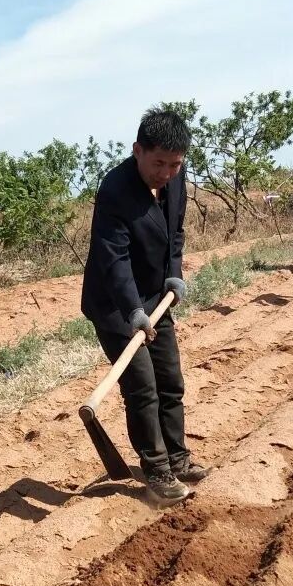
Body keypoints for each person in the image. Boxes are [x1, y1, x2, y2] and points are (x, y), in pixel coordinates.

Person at [81, 107, 209, 504]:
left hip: (157, 296)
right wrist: (133, 311)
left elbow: (175, 232)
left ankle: (178, 458)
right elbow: (114, 258)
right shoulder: (115, 191)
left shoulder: (175, 177)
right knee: (142, 388)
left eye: (175, 165)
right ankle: (157, 471)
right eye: (159, 164)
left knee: (170, 382)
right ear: (137, 151)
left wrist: (174, 273)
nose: (167, 173)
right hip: (116, 304)